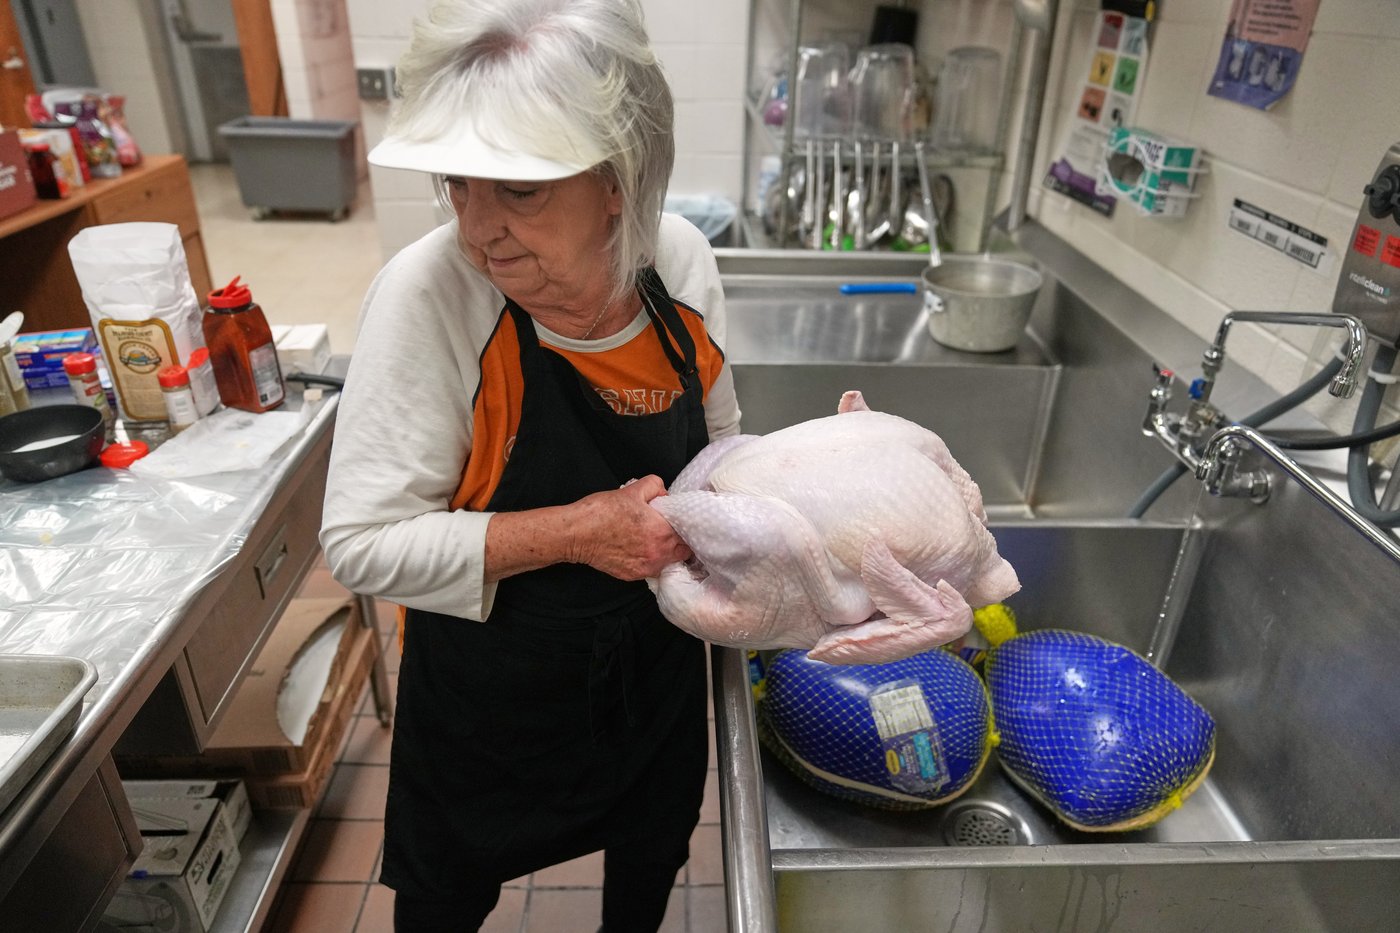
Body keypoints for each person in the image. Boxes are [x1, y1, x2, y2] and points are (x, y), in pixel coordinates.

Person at [319, 0, 742, 929]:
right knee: (442, 899)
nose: (480, 230)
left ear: (620, 177)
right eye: (458, 185)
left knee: (649, 856)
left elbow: (719, 453)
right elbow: (359, 544)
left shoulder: (680, 267)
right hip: (490, 698)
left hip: (652, 676)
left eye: (519, 190)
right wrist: (580, 532)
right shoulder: (430, 295)